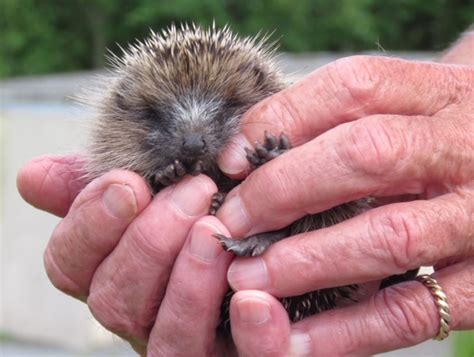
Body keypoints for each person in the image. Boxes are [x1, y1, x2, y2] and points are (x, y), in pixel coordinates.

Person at [17, 27, 473, 356]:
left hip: (295, 252)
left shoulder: (287, 128)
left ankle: (269, 233)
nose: (195, 141)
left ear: (259, 93)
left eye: (227, 110)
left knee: (310, 196)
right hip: (235, 290)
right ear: (128, 115)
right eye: (160, 118)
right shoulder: (124, 154)